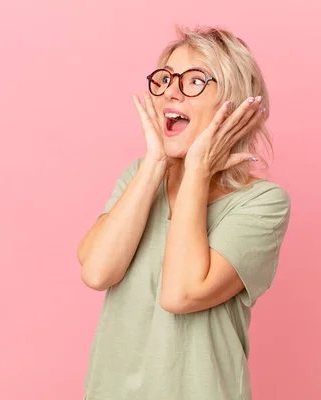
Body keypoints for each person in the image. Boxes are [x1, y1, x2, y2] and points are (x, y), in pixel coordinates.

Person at [77, 25, 292, 400]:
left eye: (194, 81)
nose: (171, 91)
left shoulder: (262, 203)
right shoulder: (138, 178)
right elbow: (97, 271)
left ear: (235, 103)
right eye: (165, 79)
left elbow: (181, 294)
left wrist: (197, 171)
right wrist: (155, 162)